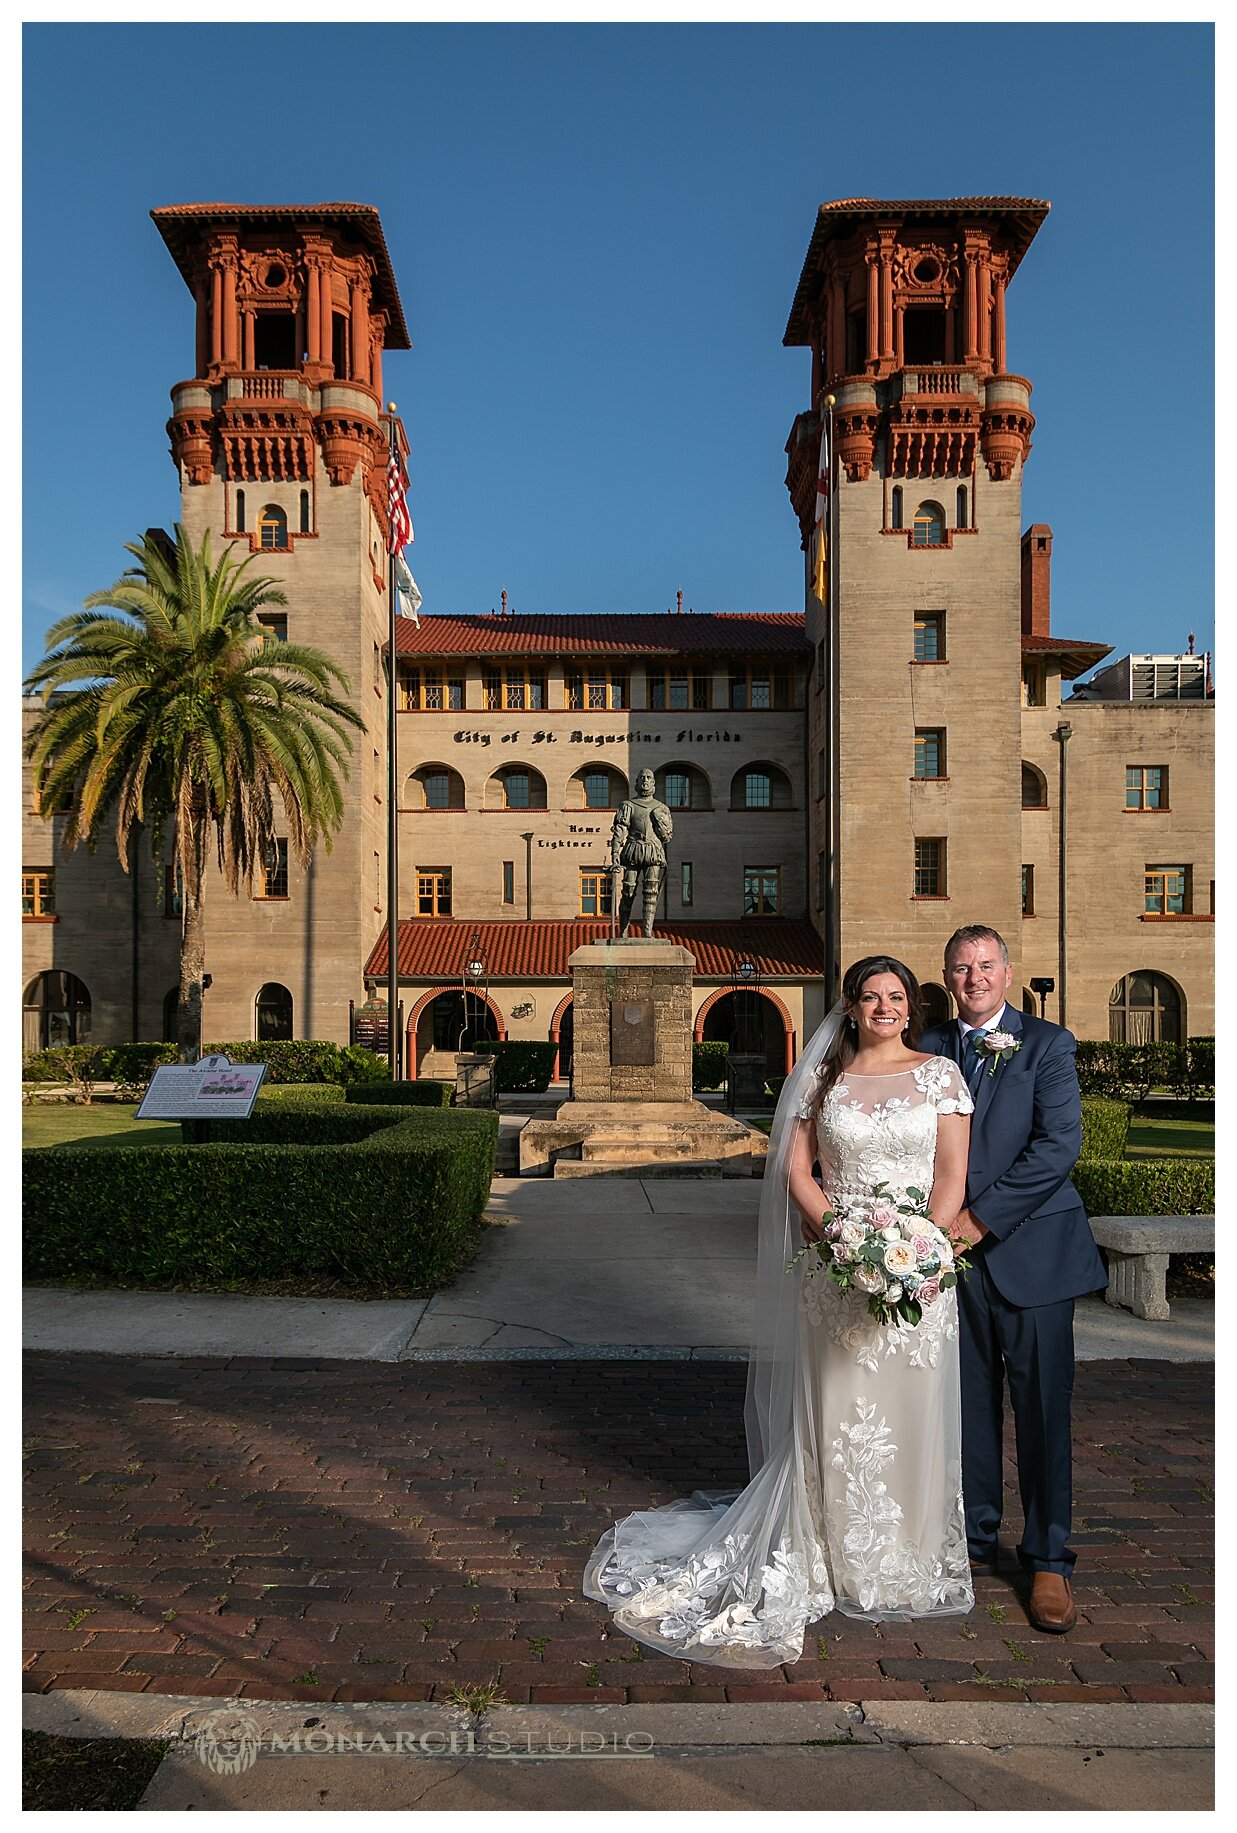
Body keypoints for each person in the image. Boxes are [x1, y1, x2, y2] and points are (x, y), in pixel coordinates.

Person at [584, 956, 975, 1667]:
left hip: (918, 1275)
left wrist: (921, 1248)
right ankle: (827, 1552)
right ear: (850, 1006)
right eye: (869, 996)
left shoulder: (939, 1076)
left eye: (895, 996)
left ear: (908, 1007)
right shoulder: (822, 1078)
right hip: (835, 1268)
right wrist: (840, 1237)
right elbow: (796, 1168)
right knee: (837, 1409)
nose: (883, 1006)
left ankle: (903, 1558)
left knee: (912, 1413)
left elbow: (951, 1174)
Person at [920, 926, 1106, 1636]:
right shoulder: (928, 1048)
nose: (974, 977)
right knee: (963, 1408)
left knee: (1041, 1410)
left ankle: (1048, 1558)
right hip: (949, 1262)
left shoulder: (1048, 1044)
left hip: (1032, 1252)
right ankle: (969, 1540)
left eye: (986, 964)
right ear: (946, 975)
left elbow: (1057, 1145)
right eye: (962, 967)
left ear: (1006, 969)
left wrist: (977, 1218)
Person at [610, 769, 672, 937]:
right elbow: (619, 831)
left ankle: (647, 932)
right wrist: (615, 855)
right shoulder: (628, 805)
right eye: (642, 778)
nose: (645, 780)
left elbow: (667, 837)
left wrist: (660, 821)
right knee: (628, 891)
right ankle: (622, 930)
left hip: (653, 851)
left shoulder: (662, 808)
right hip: (633, 850)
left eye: (649, 777)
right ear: (637, 783)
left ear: (653, 783)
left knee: (651, 892)